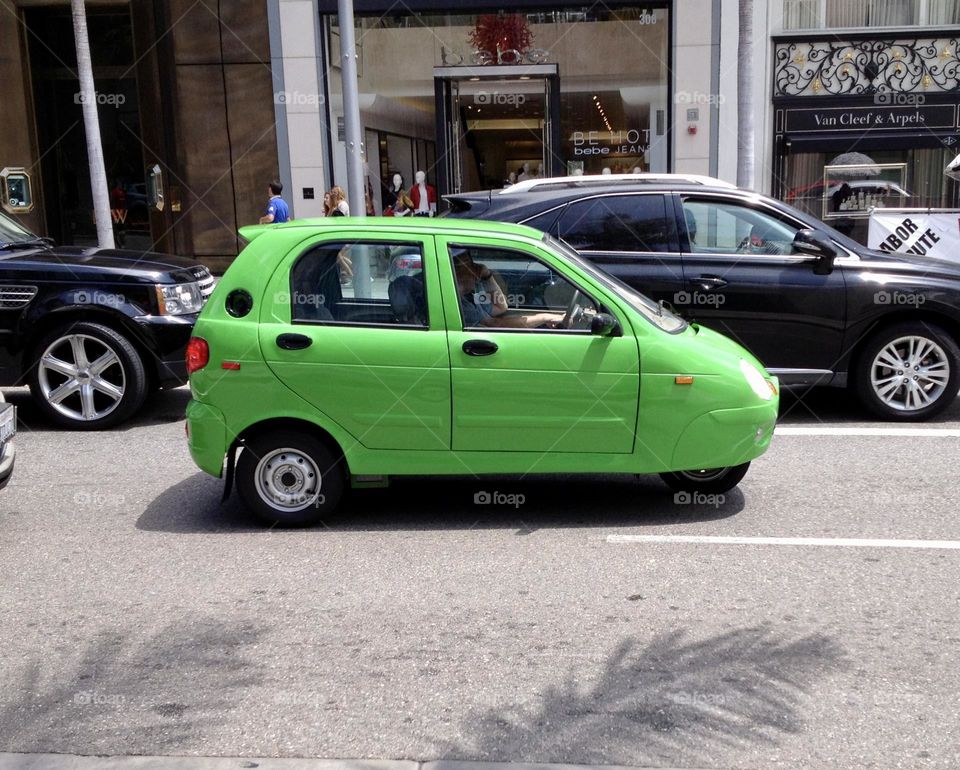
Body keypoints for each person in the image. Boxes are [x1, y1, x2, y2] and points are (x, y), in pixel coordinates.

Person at [453, 255, 563, 329]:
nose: (476, 269)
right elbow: (494, 324)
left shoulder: (470, 295)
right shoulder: (459, 305)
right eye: (468, 266)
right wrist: (544, 317)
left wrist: (487, 276)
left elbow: (501, 307)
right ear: (455, 272)